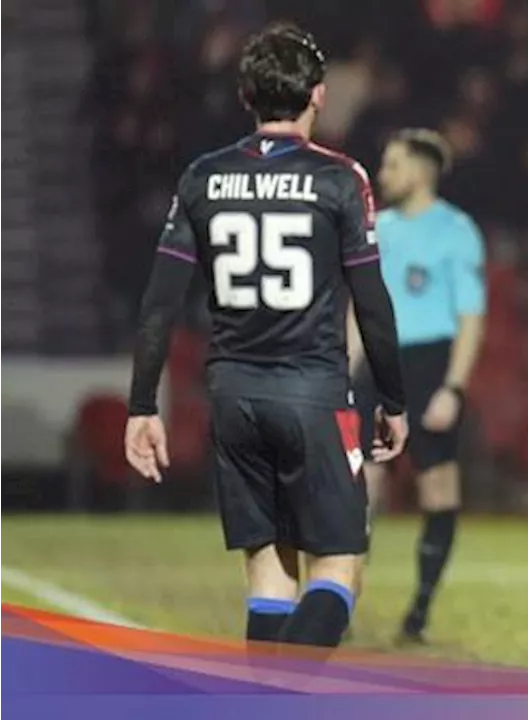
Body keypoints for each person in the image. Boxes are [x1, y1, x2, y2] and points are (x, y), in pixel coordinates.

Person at [123, 23, 408, 650]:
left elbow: (159, 304)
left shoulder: (202, 177)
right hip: (311, 392)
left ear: (246, 98)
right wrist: (393, 399)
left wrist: (143, 404)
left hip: (232, 394)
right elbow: (373, 302)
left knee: (269, 573)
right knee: (338, 568)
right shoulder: (340, 178)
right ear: (319, 96)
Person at [347, 128, 486, 646]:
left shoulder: (457, 230)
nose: (383, 175)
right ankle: (341, 605)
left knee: (438, 489)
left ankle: (419, 612)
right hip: (378, 367)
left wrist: (454, 387)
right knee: (362, 491)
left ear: (421, 172)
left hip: (430, 366)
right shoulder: (374, 228)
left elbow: (471, 316)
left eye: (393, 166)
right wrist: (347, 372)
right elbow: (358, 309)